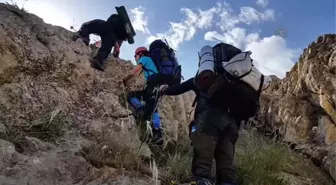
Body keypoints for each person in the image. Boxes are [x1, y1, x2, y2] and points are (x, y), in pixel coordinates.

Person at [160, 42, 269, 185]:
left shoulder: (207, 78)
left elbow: (179, 88)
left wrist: (164, 89)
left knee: (203, 164)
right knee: (226, 168)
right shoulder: (234, 81)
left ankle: (202, 180)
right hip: (232, 126)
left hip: (209, 119)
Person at [122, 46, 164, 145]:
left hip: (153, 88)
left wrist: (124, 79)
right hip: (155, 89)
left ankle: (141, 112)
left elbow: (134, 71)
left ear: (140, 54)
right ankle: (155, 132)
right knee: (153, 108)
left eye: (135, 56)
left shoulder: (145, 59)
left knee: (131, 96)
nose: (135, 58)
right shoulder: (151, 63)